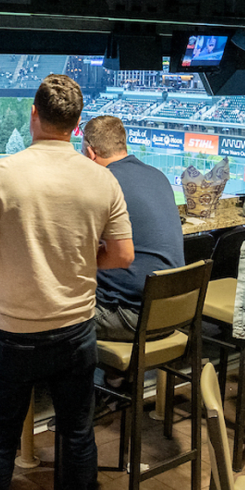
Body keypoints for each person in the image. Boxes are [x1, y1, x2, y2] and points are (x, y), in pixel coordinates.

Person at [0, 75, 132, 490]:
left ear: (34, 115)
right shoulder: (102, 178)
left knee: (0, 439)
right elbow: (122, 255)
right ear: (77, 126)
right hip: (76, 330)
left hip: (14, 332)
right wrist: (75, 258)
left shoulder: (2, 173)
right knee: (77, 433)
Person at [81, 115, 182, 340]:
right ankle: (116, 376)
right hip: (176, 311)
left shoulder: (101, 181)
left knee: (53, 312)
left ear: (90, 153)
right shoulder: (158, 176)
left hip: (134, 318)